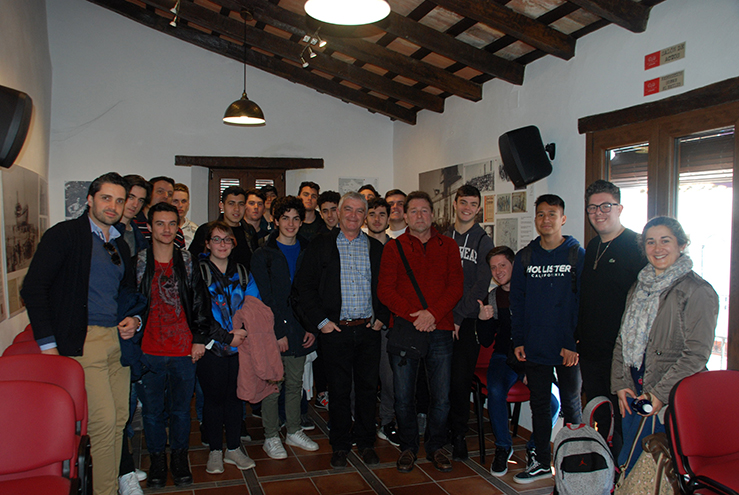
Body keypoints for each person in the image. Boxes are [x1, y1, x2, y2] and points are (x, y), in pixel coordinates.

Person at [21, 172, 142, 495]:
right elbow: (33, 288)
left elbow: (129, 293)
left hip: (118, 341)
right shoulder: (65, 235)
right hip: (83, 342)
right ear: (90, 200)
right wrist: (48, 346)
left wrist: (134, 320)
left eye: (120, 200)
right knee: (102, 424)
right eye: (106, 198)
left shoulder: (118, 242)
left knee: (119, 421)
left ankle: (110, 486)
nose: (113, 206)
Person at [611, 216, 718, 474]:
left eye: (665, 241)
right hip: (633, 391)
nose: (657, 248)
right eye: (650, 242)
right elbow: (622, 340)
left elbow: (696, 355)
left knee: (657, 469)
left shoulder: (698, 290)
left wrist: (659, 394)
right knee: (630, 463)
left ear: (681, 245)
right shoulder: (639, 286)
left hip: (670, 396)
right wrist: (620, 384)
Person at [294, 192, 389, 469]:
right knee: (338, 391)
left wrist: (382, 317)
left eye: (360, 211)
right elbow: (305, 288)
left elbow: (386, 286)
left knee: (368, 389)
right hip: (336, 331)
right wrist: (322, 322)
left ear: (365, 216)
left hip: (369, 329)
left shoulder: (375, 248)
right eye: (348, 209)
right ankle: (340, 444)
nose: (352, 215)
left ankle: (366, 442)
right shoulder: (320, 245)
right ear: (338, 212)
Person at [378, 191, 464, 474]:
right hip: (406, 329)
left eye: (424, 210)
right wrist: (416, 316)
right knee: (403, 396)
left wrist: (433, 315)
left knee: (441, 396)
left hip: (439, 330)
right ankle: (408, 447)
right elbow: (385, 291)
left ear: (432, 214)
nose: (419, 215)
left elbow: (455, 287)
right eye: (413, 211)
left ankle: (436, 446)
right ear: (404, 215)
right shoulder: (394, 248)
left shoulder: (449, 245)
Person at [510, 194, 585, 484]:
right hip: (535, 345)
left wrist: (572, 342)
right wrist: (519, 340)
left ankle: (576, 461)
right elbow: (517, 301)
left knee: (571, 406)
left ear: (562, 218)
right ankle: (542, 460)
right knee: (540, 406)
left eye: (552, 214)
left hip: (567, 348)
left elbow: (582, 303)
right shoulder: (526, 257)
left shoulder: (575, 254)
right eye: (541, 214)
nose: (546, 219)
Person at [135, 202, 209, 488]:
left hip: (182, 351)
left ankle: (179, 459)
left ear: (178, 227)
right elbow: (131, 304)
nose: (166, 229)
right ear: (150, 227)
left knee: (180, 412)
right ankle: (157, 462)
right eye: (159, 223)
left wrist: (199, 339)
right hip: (149, 351)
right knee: (152, 413)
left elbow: (201, 304)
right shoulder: (138, 262)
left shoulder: (189, 262)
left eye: (171, 223)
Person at [477, 247, 560, 477]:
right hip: (503, 357)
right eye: (494, 267)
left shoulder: (532, 293)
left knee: (553, 404)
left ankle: (535, 447)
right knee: (495, 390)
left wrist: (527, 367)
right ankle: (503, 447)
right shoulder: (493, 297)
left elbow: (543, 331)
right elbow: (485, 342)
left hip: (530, 358)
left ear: (514, 265)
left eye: (502, 265)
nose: (498, 271)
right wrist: (483, 319)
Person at [577, 180, 645, 457]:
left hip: (622, 356)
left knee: (624, 419)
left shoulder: (637, 246)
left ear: (619, 208)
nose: (599, 212)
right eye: (592, 207)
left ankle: (623, 474)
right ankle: (602, 472)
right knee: (600, 414)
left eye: (606, 206)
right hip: (591, 351)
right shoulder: (592, 247)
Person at [252, 196, 319, 459]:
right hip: (272, 329)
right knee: (272, 384)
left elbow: (312, 292)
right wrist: (278, 331)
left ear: (301, 221)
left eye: (295, 218)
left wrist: (311, 326)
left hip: (301, 327)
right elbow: (266, 298)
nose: (290, 224)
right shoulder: (263, 254)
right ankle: (271, 436)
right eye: (285, 218)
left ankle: (293, 430)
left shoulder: (308, 250)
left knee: (295, 383)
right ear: (275, 220)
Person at [197, 220, 259, 474]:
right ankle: (214, 451)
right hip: (211, 348)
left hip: (240, 347)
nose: (222, 245)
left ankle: (233, 448)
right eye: (216, 239)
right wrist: (225, 336)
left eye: (227, 240)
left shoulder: (243, 272)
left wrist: (242, 333)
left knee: (236, 399)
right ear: (207, 244)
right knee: (213, 401)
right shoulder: (198, 272)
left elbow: (255, 306)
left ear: (233, 244)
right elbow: (197, 312)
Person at [445, 185, 493, 460]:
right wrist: (447, 317)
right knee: (440, 379)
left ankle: (459, 434)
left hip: (468, 323)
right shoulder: (443, 237)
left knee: (460, 381)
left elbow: (481, 285)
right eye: (463, 202)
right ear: (455, 203)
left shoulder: (482, 240)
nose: (467, 208)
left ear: (478, 208)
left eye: (473, 204)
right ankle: (439, 430)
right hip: (443, 320)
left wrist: (459, 317)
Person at [190, 186, 258, 269]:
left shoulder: (249, 231)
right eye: (231, 203)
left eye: (241, 204)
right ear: (222, 206)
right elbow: (192, 262)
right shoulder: (206, 230)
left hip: (246, 280)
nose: (236, 209)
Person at [132, 176, 187, 248]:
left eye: (170, 194)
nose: (166, 196)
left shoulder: (176, 232)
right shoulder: (133, 224)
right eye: (160, 192)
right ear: (148, 194)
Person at [118, 174, 151, 256]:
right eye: (131, 197)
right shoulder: (105, 230)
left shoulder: (140, 236)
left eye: (140, 200)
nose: (135, 204)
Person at [173, 183, 199, 249]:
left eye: (183, 201)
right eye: (176, 201)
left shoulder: (195, 230)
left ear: (188, 205)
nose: (180, 205)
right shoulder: (164, 229)